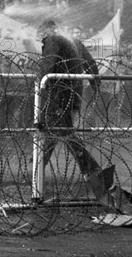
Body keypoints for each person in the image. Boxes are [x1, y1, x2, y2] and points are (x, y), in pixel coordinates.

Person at [37, 19, 101, 175]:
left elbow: (47, 67)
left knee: (63, 133)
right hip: (72, 95)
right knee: (51, 133)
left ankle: (93, 171)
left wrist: (40, 83)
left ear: (46, 31)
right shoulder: (74, 42)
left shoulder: (52, 40)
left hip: (58, 96)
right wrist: (95, 85)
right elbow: (92, 65)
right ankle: (36, 170)